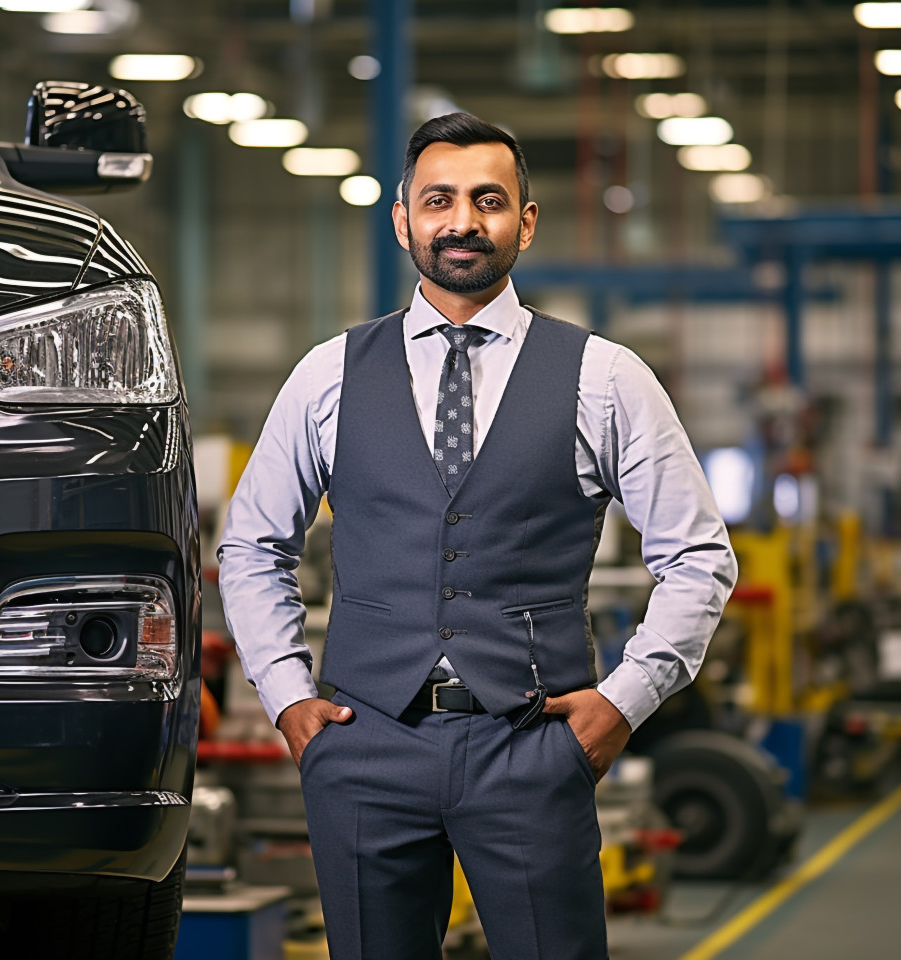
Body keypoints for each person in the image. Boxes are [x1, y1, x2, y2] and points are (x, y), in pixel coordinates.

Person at [219, 112, 737, 960]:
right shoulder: (328, 374)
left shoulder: (605, 378)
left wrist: (622, 703)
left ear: (525, 222)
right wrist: (285, 696)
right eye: (439, 200)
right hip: (363, 746)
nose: (463, 221)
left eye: (488, 201)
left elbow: (698, 557)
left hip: (532, 747)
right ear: (403, 219)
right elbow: (251, 547)